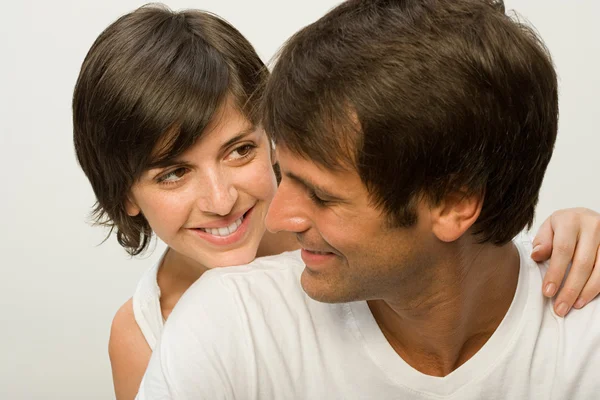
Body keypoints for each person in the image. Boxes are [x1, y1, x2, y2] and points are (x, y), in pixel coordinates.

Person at [136, 1, 600, 399]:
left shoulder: (584, 340)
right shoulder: (226, 326)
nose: (278, 218)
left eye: (321, 195)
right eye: (284, 174)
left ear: (455, 203)